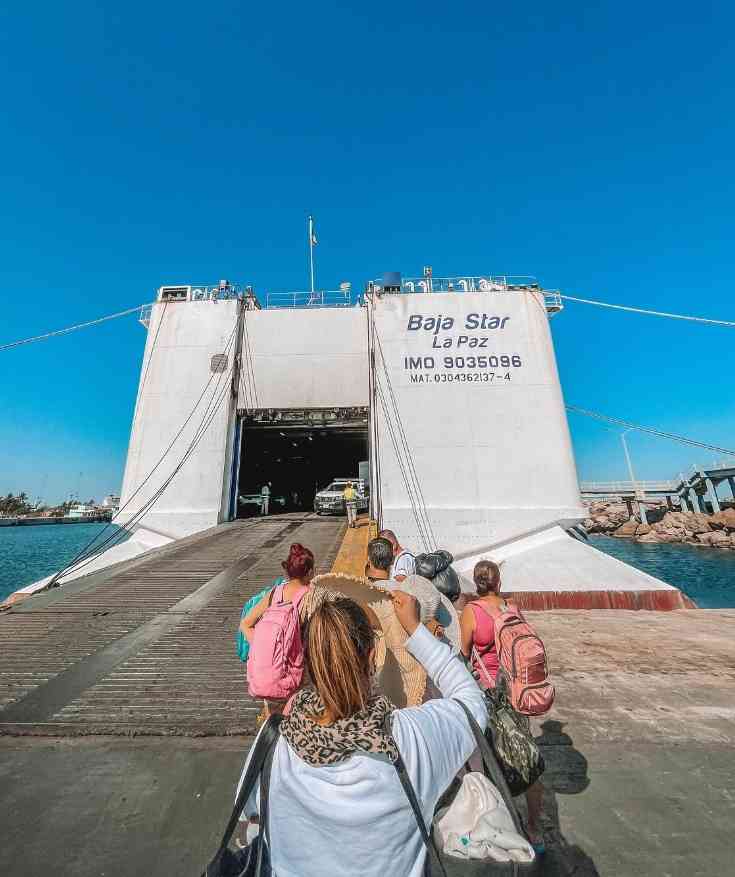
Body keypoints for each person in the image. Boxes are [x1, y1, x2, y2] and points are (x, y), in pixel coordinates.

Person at [236, 592, 487, 877]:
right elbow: (473, 705)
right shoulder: (410, 739)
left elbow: (248, 809)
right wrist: (416, 631)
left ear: (308, 662)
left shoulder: (273, 747)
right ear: (371, 656)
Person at [459, 559, 545, 851]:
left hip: (487, 693)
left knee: (488, 758)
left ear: (476, 583)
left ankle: (494, 821)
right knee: (526, 755)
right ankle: (534, 828)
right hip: (516, 691)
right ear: (498, 582)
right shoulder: (513, 609)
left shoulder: (471, 612)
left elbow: (465, 652)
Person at [241, 543, 315, 722]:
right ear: (310, 572)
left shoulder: (275, 593)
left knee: (274, 723)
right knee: (298, 723)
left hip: (272, 673)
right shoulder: (311, 596)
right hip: (299, 678)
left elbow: (245, 624)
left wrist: (263, 646)